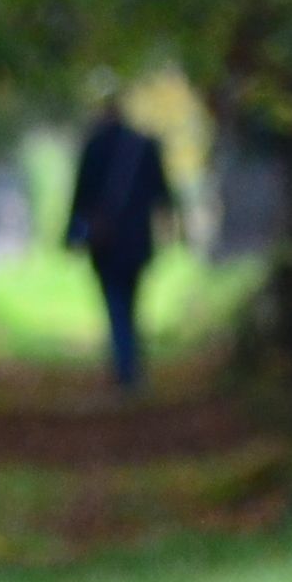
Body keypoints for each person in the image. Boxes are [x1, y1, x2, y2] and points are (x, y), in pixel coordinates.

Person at [65, 99, 175, 394]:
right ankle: (130, 367)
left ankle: (124, 368)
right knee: (132, 303)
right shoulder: (144, 146)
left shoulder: (94, 147)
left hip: (106, 244)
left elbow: (80, 195)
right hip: (137, 241)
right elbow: (163, 193)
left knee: (115, 305)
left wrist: (72, 236)